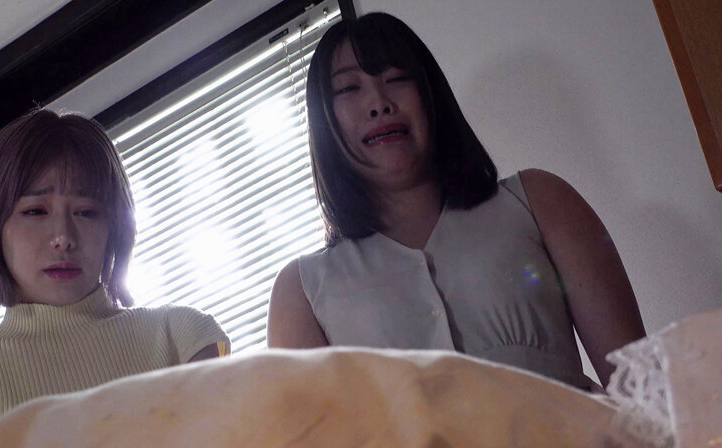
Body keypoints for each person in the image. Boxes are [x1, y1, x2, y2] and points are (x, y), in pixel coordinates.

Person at [267, 13, 645, 389]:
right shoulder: (301, 292)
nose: (379, 103)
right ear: (323, 120)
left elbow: (644, 391)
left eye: (396, 78)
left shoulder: (540, 202)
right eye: (349, 88)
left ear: (431, 93)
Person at [0, 109, 229, 448]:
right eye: (36, 211)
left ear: (114, 227)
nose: (63, 237)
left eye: (86, 211)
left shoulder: (182, 335)